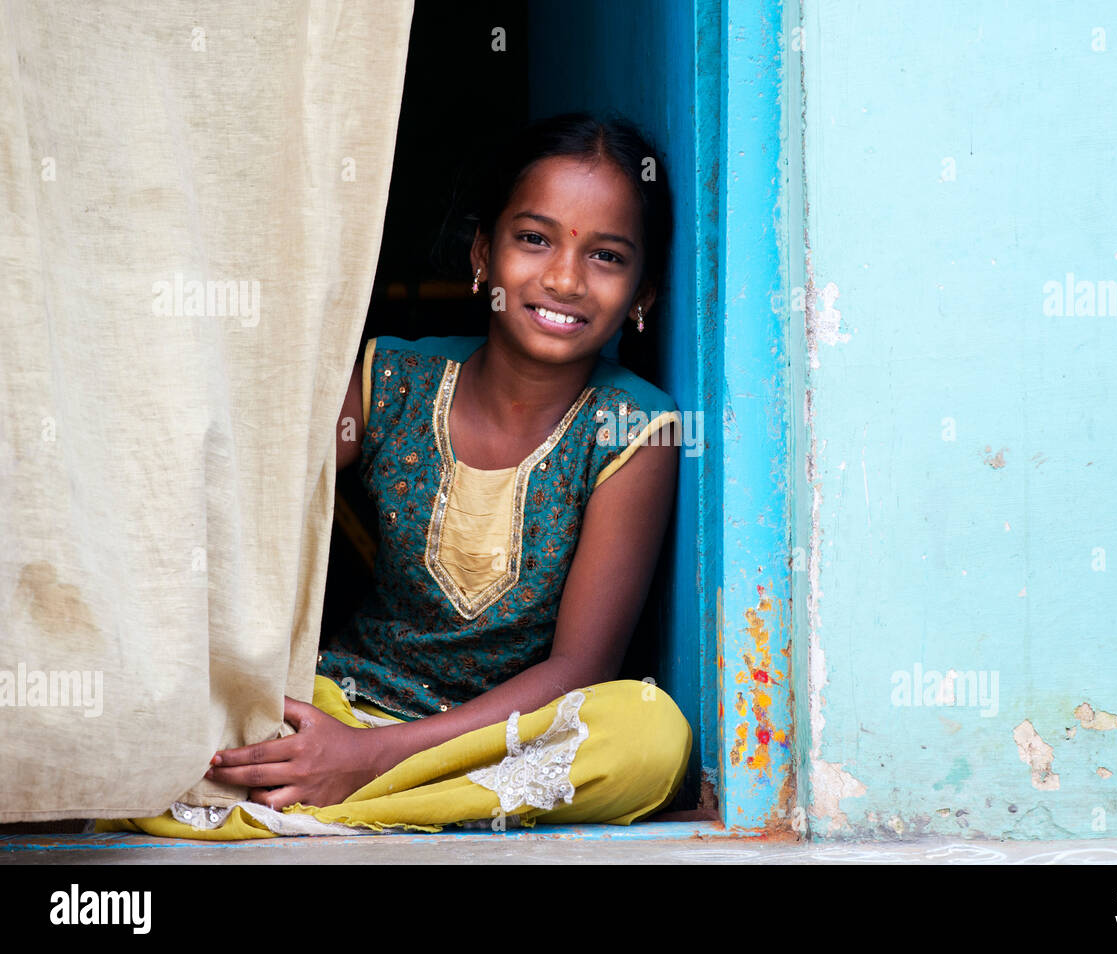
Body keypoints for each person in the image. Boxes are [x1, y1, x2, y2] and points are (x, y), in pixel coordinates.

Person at [98, 113, 692, 839]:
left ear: (643, 293)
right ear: (482, 252)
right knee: (160, 737)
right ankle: (361, 803)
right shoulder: (393, 377)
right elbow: (249, 495)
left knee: (650, 735)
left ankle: (338, 806)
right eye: (534, 239)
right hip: (349, 701)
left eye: (606, 256)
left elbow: (579, 667)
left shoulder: (634, 430)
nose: (565, 278)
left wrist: (370, 757)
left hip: (503, 737)